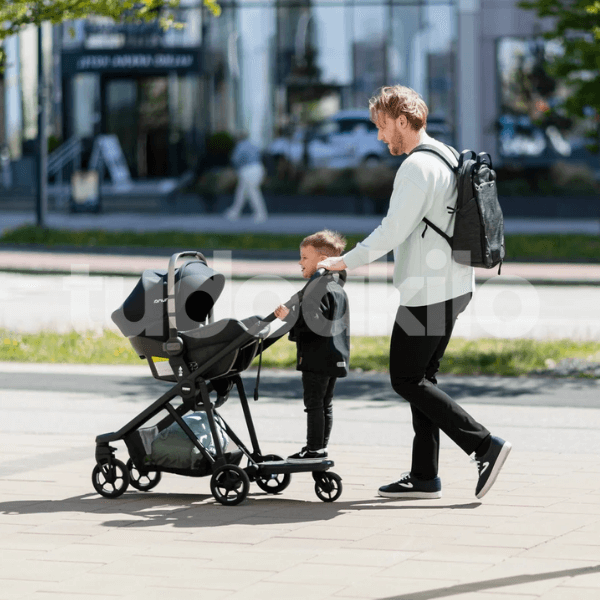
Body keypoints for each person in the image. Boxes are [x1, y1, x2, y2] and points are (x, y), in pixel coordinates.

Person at [318, 85, 511, 499]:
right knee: (423, 379)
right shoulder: (446, 153)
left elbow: (391, 231)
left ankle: (483, 445)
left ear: (402, 121)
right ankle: (424, 476)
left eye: (382, 126)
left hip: (428, 292)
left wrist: (342, 261)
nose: (379, 136)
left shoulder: (415, 168)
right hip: (456, 285)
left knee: (405, 379)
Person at [274, 230, 350, 462]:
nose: (300, 262)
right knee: (325, 404)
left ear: (322, 260)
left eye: (305, 257)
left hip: (317, 356)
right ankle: (320, 448)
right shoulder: (335, 285)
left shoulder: (317, 287)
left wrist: (289, 317)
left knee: (314, 404)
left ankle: (314, 449)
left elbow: (315, 322)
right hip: (334, 354)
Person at [225, 132, 268, 223]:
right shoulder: (253, 145)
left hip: (248, 170)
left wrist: (234, 168)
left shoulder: (240, 146)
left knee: (252, 192)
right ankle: (234, 212)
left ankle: (261, 214)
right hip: (258, 168)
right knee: (241, 191)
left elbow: (235, 159)